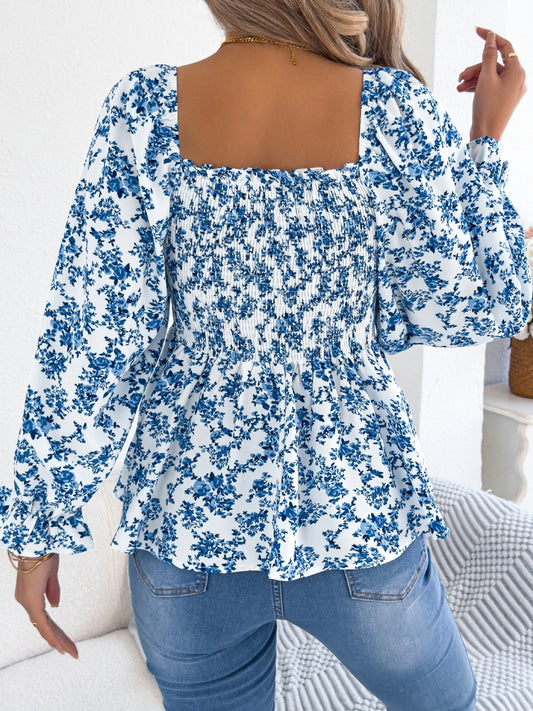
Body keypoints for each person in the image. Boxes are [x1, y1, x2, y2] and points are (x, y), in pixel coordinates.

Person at [1, 1, 529, 709]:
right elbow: (479, 306)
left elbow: (89, 342)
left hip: (186, 536)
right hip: (357, 517)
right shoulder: (397, 111)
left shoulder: (144, 109)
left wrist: (36, 534)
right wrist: (485, 142)